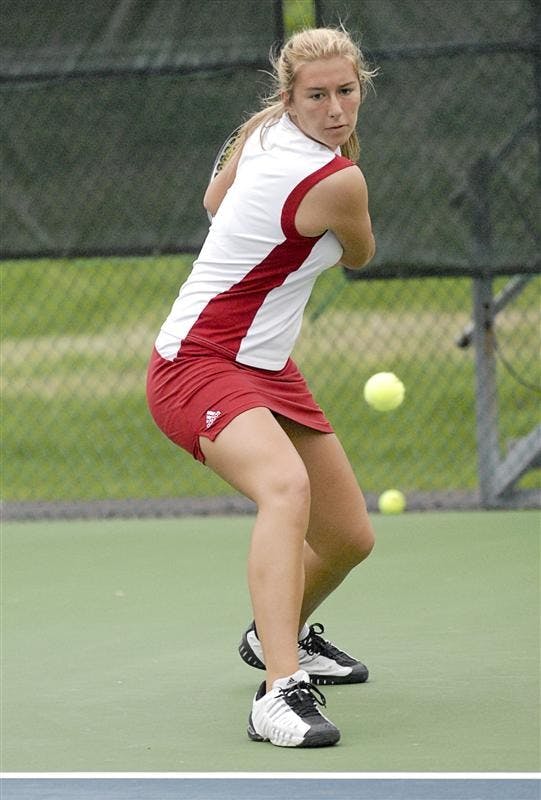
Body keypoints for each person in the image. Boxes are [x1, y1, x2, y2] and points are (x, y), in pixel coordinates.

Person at [147, 26, 377, 748]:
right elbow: (360, 255)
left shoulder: (263, 128)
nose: (335, 109)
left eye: (346, 91)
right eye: (317, 96)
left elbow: (214, 200)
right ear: (291, 98)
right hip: (196, 362)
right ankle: (280, 692)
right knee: (285, 489)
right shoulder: (338, 180)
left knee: (347, 537)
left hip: (266, 365)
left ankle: (275, 634)